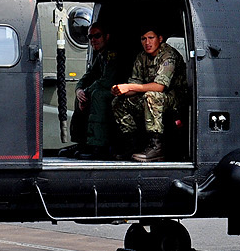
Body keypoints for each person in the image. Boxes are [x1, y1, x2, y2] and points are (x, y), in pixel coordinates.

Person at [112, 28, 187, 162]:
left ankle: (156, 147)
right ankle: (133, 145)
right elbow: (135, 83)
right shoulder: (142, 57)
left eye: (151, 38)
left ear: (160, 38)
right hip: (153, 95)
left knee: (151, 96)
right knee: (118, 102)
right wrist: (121, 90)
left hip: (174, 98)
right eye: (143, 39)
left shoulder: (168, 55)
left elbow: (160, 87)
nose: (147, 42)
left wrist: (129, 87)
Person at [70, 25, 128, 158]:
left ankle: (99, 146)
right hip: (107, 90)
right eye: (90, 37)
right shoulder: (101, 55)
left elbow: (107, 80)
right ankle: (83, 142)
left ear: (106, 37)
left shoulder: (112, 54)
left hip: (119, 91)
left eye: (97, 36)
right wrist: (79, 90)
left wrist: (86, 91)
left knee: (97, 95)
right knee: (81, 96)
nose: (93, 40)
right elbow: (89, 76)